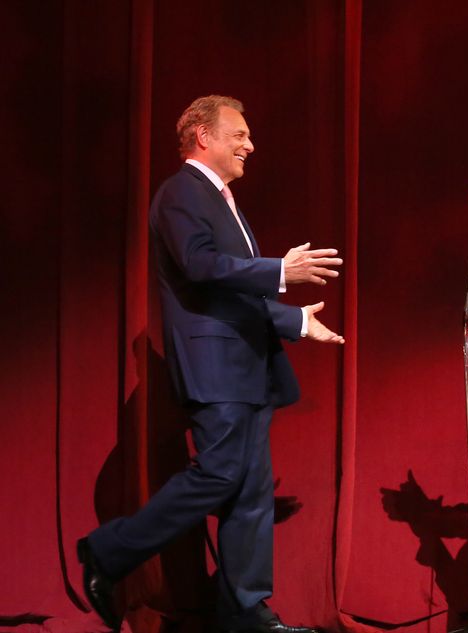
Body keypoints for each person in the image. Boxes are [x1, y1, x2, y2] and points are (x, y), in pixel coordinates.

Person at [77, 95, 344, 633]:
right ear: (204, 136)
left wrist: (293, 322)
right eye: (239, 135)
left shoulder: (222, 199)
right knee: (220, 475)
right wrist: (279, 270)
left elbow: (234, 290)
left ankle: (246, 612)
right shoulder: (180, 194)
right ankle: (108, 552)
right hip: (215, 368)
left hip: (249, 368)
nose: (249, 144)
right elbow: (201, 266)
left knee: (250, 490)